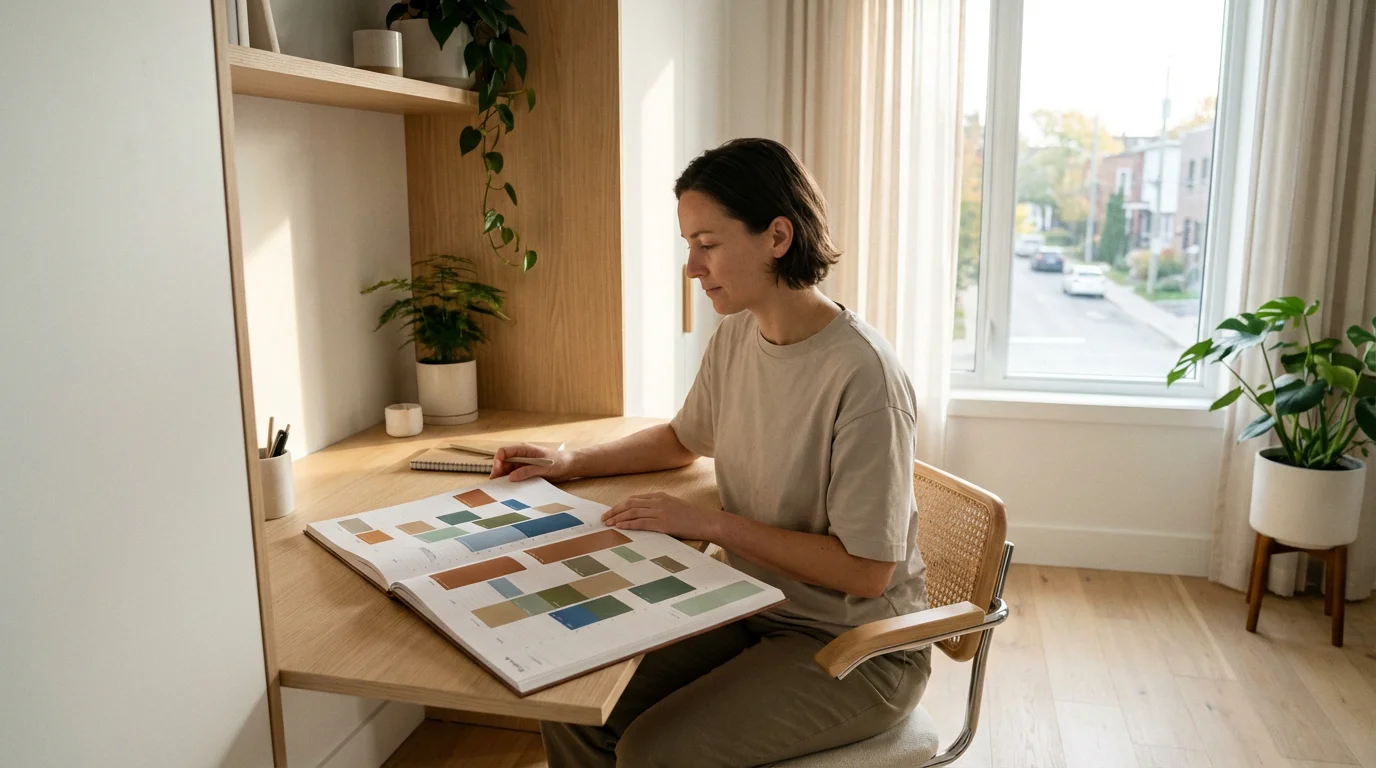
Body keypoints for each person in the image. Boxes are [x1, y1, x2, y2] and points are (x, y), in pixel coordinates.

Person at [490, 138, 929, 767]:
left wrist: (710, 524)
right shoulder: (738, 337)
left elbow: (866, 572)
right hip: (751, 606)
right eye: (688, 246)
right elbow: (681, 439)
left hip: (857, 647)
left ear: (777, 237)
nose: (692, 267)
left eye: (708, 244)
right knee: (573, 702)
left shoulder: (863, 377)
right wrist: (570, 460)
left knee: (652, 753)